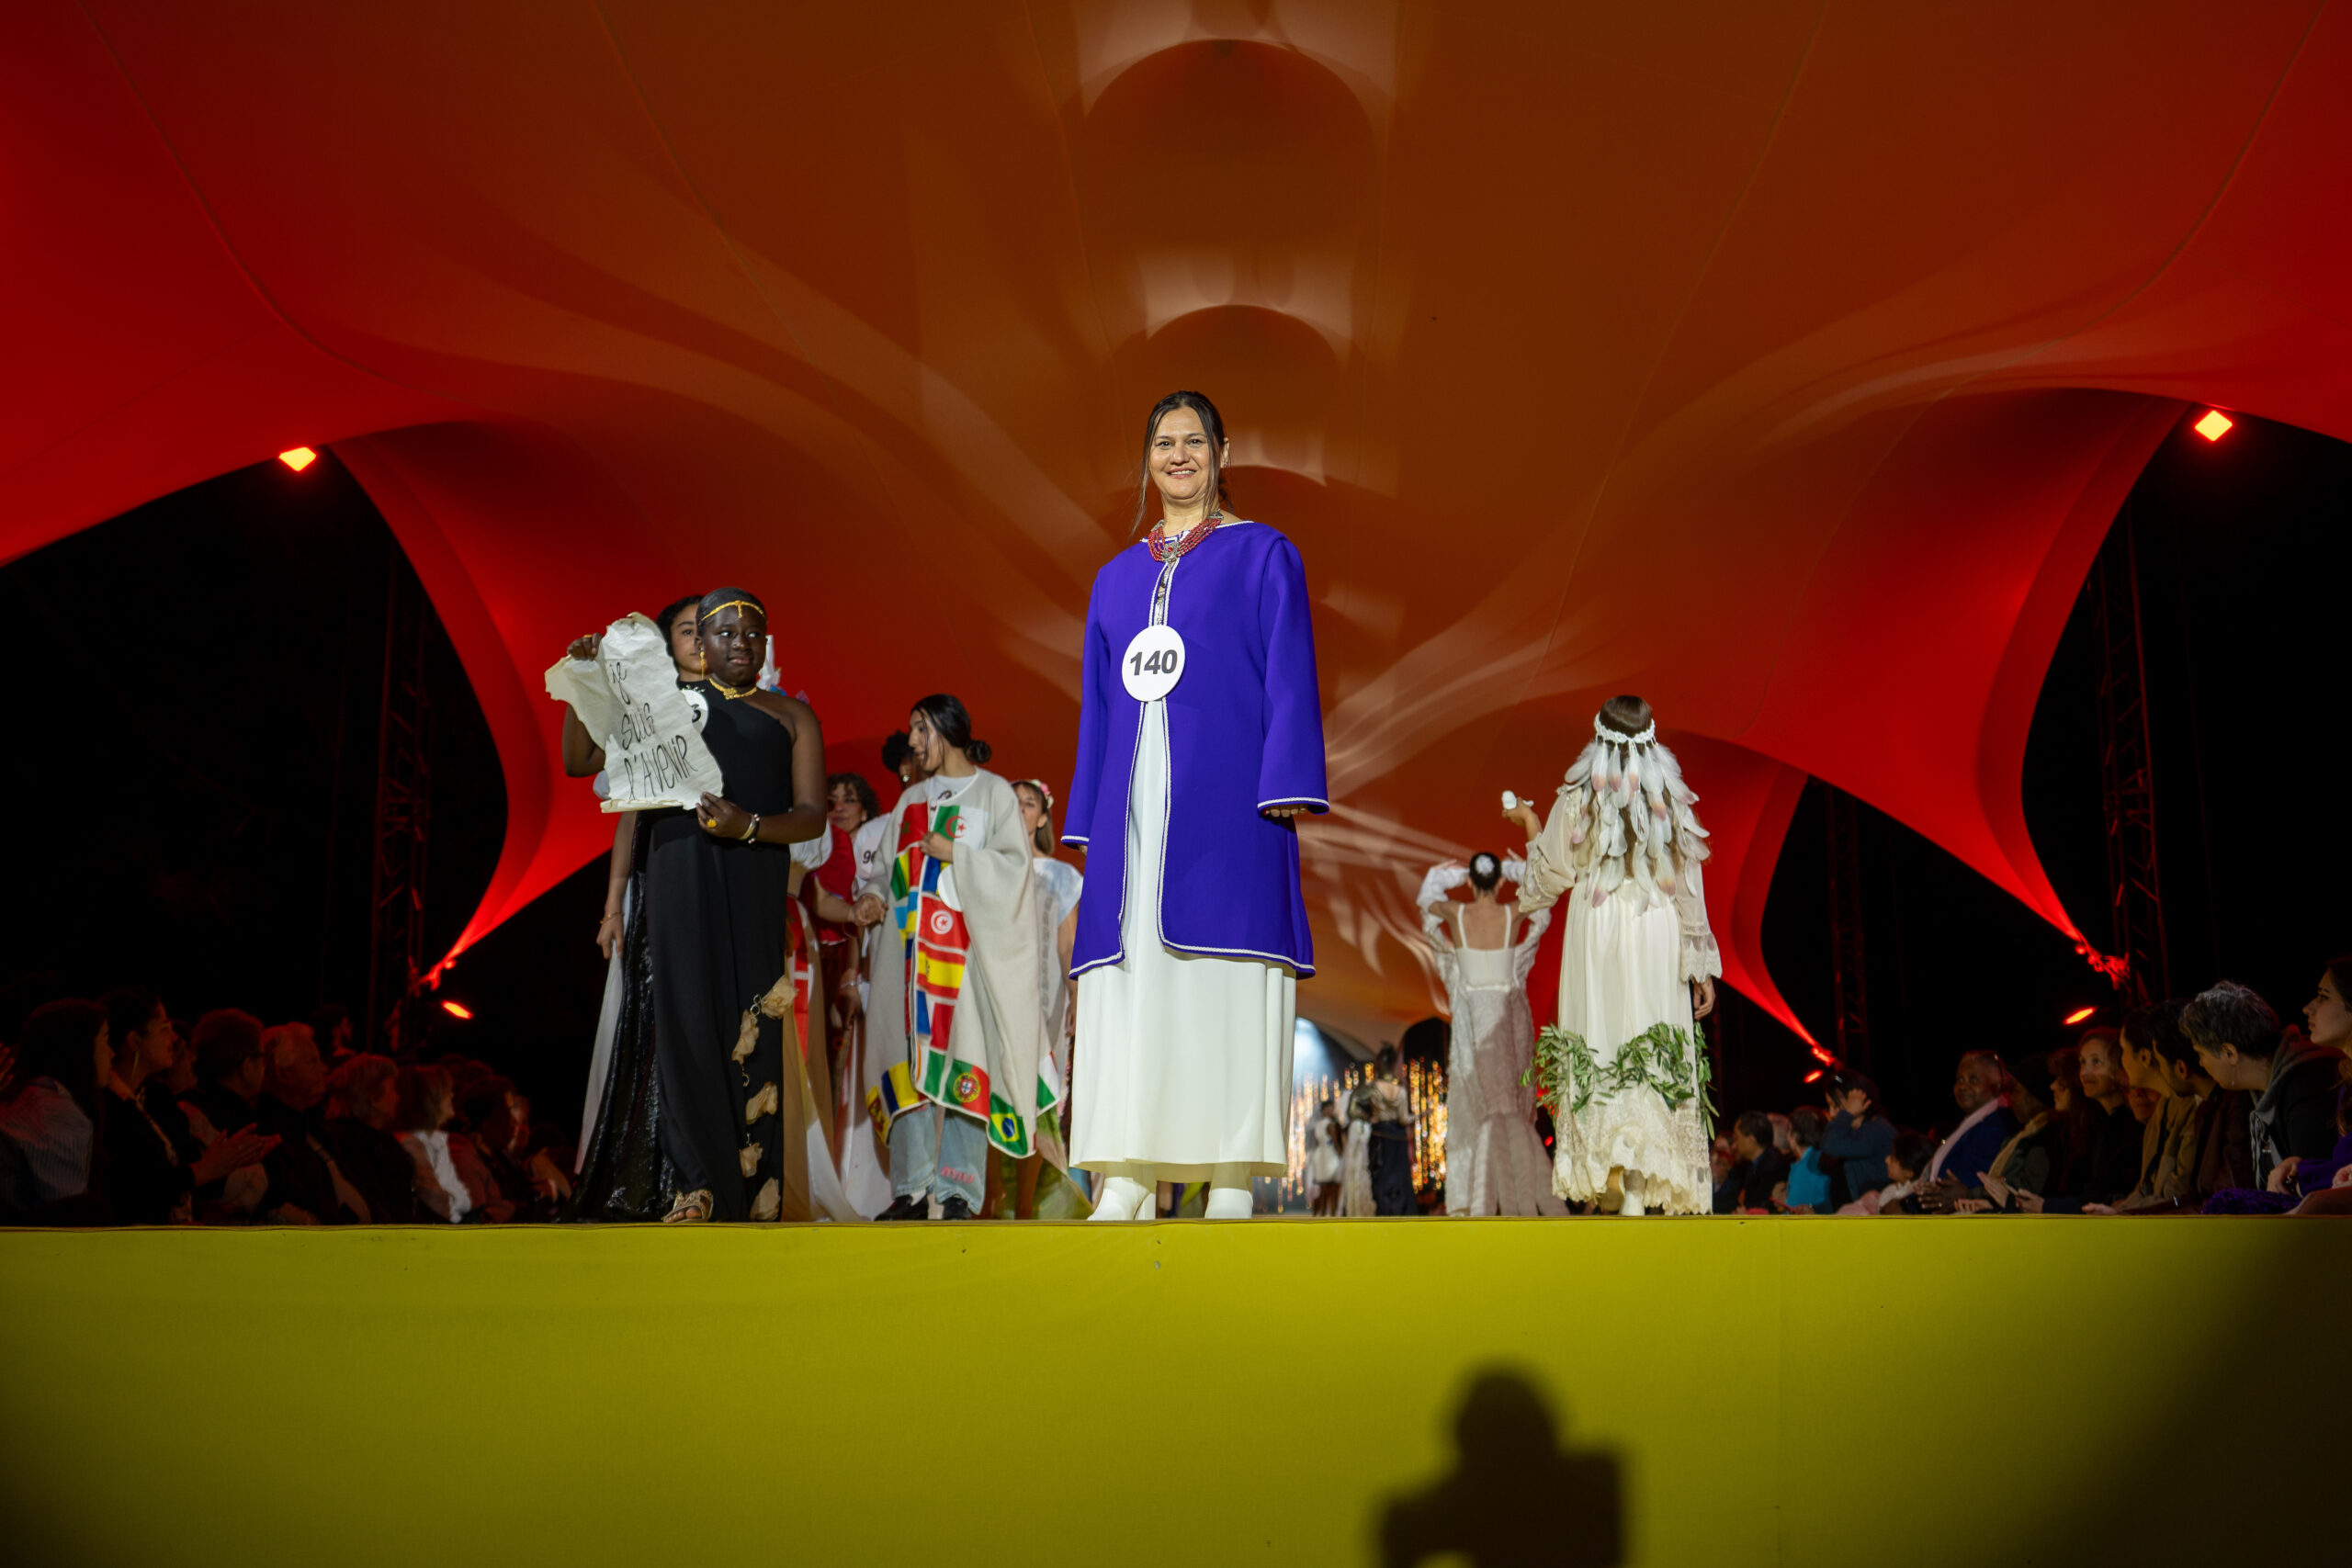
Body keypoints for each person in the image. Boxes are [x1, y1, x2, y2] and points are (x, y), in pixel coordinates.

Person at [1063, 390, 1327, 1224]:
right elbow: (1097, 706)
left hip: (1230, 799)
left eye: (1193, 441)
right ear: (1147, 460)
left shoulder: (1264, 553)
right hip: (1131, 808)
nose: (1178, 456)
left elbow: (1290, 672)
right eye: (1163, 443)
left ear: (1222, 452)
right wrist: (1088, 815)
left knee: (1224, 976)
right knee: (1133, 977)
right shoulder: (1114, 577)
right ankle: (1128, 1170)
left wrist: (1285, 782)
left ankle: (1230, 1172)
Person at [641, 588, 830, 1223]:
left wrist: (748, 826)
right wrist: (587, 682)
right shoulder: (669, 705)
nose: (741, 644)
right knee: (687, 1019)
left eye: (753, 635)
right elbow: (580, 760)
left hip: (753, 871)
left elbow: (811, 815)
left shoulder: (791, 716)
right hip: (679, 869)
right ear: (700, 642)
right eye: (725, 633)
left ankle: (754, 1191)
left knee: (751, 1018)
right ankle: (695, 1185)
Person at [1505, 695, 1720, 1215]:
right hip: (1655, 926)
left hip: (1598, 926)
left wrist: (1529, 821)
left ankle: (1614, 1177)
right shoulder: (1670, 798)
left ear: (1598, 736)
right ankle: (1638, 1186)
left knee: (1603, 1039)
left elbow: (1547, 878)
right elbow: (1689, 886)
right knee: (1649, 1036)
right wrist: (1698, 966)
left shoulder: (1580, 796)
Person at [857, 694, 1054, 1221]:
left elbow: (1015, 872)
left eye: (921, 729)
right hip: (908, 958)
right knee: (908, 1068)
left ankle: (959, 1192)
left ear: (947, 730)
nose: (913, 741)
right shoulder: (910, 800)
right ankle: (910, 1189)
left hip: (963, 961)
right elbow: (886, 870)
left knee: (967, 1064)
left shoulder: (993, 794)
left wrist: (958, 856)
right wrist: (873, 896)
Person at [568, 593, 711, 1219]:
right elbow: (616, 802)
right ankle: (652, 1174)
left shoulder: (750, 709)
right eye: (687, 630)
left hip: (720, 882)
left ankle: (717, 1175)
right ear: (666, 645)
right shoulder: (649, 710)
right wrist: (613, 905)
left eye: (710, 629)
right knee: (656, 1018)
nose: (701, 640)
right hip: (660, 882)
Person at [1417, 852, 1566, 1216]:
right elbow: (1543, 895)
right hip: (1505, 1020)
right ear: (1500, 881)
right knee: (1509, 1103)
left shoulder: (1456, 913)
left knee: (1476, 1104)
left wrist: (1450, 876)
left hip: (1472, 1020)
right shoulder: (1513, 911)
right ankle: (1517, 1194)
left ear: (1470, 881)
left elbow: (1425, 901)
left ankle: (1478, 1195)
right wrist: (1515, 869)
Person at [98, 987, 269, 1224]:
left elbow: (190, 1174)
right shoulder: (107, 1107)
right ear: (135, 1040)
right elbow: (134, 1188)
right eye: (164, 1029)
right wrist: (204, 1169)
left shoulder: (157, 1098)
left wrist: (227, 1160)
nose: (174, 1037)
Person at [1012, 777, 1085, 1217]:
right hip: (995, 999)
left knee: (1038, 1099)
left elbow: (1068, 944)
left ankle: (1023, 1207)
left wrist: (1075, 995)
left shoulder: (1061, 875)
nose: (1020, 809)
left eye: (1028, 803)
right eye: (1012, 802)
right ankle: (987, 1201)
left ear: (1042, 817)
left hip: (1044, 1001)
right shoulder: (985, 867)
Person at [0, 998, 111, 1219]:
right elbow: (69, 1220)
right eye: (106, 1040)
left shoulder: (28, 1097)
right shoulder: (53, 1113)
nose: (112, 1053)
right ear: (79, 1048)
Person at [2275, 957, 2352, 1200]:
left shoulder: (2305, 1081)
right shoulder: (2346, 1080)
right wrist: (2301, 1167)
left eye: (2323, 996)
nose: (2308, 1008)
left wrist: (2304, 1175)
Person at [396, 1064, 507, 1223]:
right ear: (429, 1100)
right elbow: (439, 1205)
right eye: (446, 1091)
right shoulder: (412, 1146)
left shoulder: (436, 1142)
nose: (453, 1095)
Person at [1909, 1051, 2018, 1206]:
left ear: (1996, 1086)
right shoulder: (1975, 1124)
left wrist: (1908, 1204)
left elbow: (1963, 1184)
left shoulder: (1997, 1126)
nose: (1962, 1086)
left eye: (1973, 1079)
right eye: (1959, 1079)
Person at [322, 1053, 417, 1224]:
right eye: (392, 1089)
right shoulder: (350, 1144)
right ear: (373, 1098)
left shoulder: (380, 1138)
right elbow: (376, 1203)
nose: (397, 1097)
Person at [1819, 1071, 1894, 1201]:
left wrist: (1846, 1113)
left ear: (1857, 1101)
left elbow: (1830, 1144)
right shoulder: (1859, 1132)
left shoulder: (1876, 1131)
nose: (1832, 1113)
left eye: (1835, 1105)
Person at [1838, 1132, 1936, 1215]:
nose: (1886, 1160)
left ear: (1909, 1172)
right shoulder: (1892, 1191)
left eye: (1893, 1159)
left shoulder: (1908, 1202)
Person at [1713, 1111, 1789, 1213]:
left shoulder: (1774, 1168)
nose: (1734, 1146)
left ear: (1751, 1140)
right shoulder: (1753, 1165)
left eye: (1737, 1138)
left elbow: (1763, 1208)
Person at [1777, 1108, 1833, 1213]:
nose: (1787, 1136)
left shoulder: (1806, 1167)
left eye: (1789, 1130)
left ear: (1795, 1135)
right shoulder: (1823, 1157)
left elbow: (1794, 1212)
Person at [1306, 1097, 1342, 1215]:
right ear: (1325, 1110)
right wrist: (1341, 1156)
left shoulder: (1317, 1125)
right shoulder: (1330, 1125)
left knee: (1323, 1188)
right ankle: (1333, 1212)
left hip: (1320, 1156)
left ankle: (1321, 1213)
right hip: (1330, 1156)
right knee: (1333, 1187)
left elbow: (1318, 1143)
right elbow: (1334, 1143)